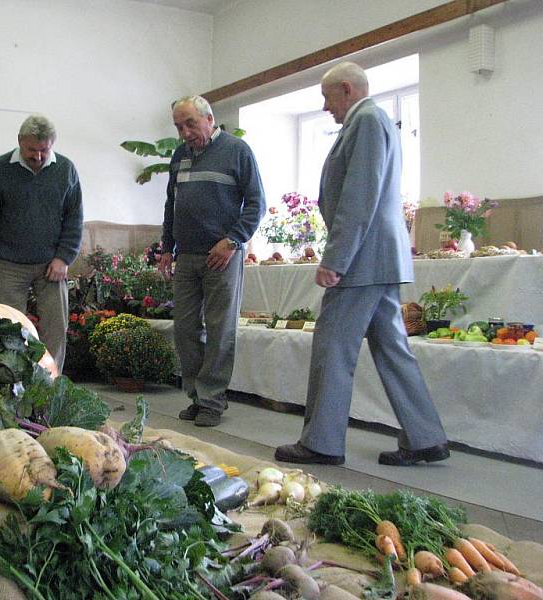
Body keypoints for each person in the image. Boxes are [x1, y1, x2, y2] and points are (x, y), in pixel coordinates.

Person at [274, 62, 449, 467]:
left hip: (362, 262)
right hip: (378, 261)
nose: (325, 107)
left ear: (347, 90)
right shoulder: (373, 122)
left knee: (332, 347)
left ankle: (321, 442)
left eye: (326, 98)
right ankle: (426, 437)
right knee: (392, 349)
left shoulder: (367, 120)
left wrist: (336, 259)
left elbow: (359, 195)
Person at [159, 95, 266, 428]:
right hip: (186, 255)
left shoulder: (237, 151)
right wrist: (167, 247)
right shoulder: (180, 155)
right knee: (185, 330)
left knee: (220, 330)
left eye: (190, 123)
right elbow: (170, 204)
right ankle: (196, 394)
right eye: (179, 126)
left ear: (209, 119)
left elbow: (256, 203)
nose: (185, 132)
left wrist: (233, 240)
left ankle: (212, 400)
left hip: (222, 256)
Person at [0, 114, 83, 373]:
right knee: (8, 327)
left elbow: (75, 217)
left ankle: (51, 382)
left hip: (52, 264)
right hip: (10, 264)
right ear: (20, 141)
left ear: (52, 144)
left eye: (44, 150)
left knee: (55, 327)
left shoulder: (66, 169)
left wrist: (64, 257)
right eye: (32, 150)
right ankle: (11, 380)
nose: (38, 156)